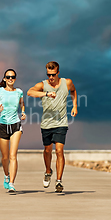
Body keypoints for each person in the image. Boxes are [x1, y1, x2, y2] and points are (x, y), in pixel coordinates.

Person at [27, 61, 77, 193]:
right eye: (48, 74)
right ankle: (48, 171)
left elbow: (73, 91)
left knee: (59, 151)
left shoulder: (67, 83)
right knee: (47, 150)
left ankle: (59, 181)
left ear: (58, 73)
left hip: (61, 123)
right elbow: (30, 92)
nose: (51, 77)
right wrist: (46, 94)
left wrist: (75, 106)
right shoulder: (42, 85)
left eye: (53, 74)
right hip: (46, 124)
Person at [0, 69, 26, 192]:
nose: (11, 79)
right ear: (4, 78)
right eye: (8, 77)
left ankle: (11, 184)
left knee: (13, 155)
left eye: (13, 77)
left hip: (15, 125)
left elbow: (22, 104)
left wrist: (23, 112)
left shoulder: (19, 92)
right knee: (5, 157)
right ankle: (6, 175)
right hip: (3, 126)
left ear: (15, 79)